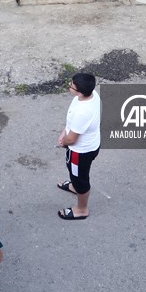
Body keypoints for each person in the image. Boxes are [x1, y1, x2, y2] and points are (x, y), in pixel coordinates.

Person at [56, 72, 102, 220]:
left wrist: (63, 141)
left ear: (80, 91)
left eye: (71, 86)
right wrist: (65, 131)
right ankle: (74, 186)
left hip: (79, 152)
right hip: (91, 144)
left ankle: (82, 209)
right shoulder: (90, 94)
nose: (69, 86)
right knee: (75, 174)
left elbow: (72, 139)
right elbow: (73, 125)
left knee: (80, 180)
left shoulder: (83, 112)